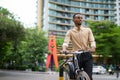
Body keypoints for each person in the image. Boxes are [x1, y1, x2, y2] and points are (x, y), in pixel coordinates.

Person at [62, 13, 96, 80]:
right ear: (73, 20)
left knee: (88, 76)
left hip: (87, 54)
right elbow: (65, 42)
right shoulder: (70, 32)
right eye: (78, 17)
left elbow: (92, 41)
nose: (80, 19)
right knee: (75, 75)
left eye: (81, 18)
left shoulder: (88, 30)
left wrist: (93, 47)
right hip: (76, 56)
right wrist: (64, 49)